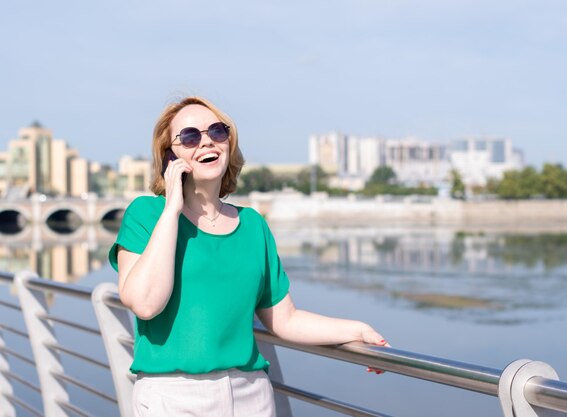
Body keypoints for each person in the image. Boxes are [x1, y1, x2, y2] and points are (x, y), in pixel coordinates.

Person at [108, 96, 390, 417]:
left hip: (251, 396)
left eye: (217, 131)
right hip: (173, 397)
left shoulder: (253, 226)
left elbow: (284, 319)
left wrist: (357, 330)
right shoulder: (146, 214)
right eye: (189, 136)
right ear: (170, 155)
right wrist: (172, 208)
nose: (206, 142)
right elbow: (145, 303)